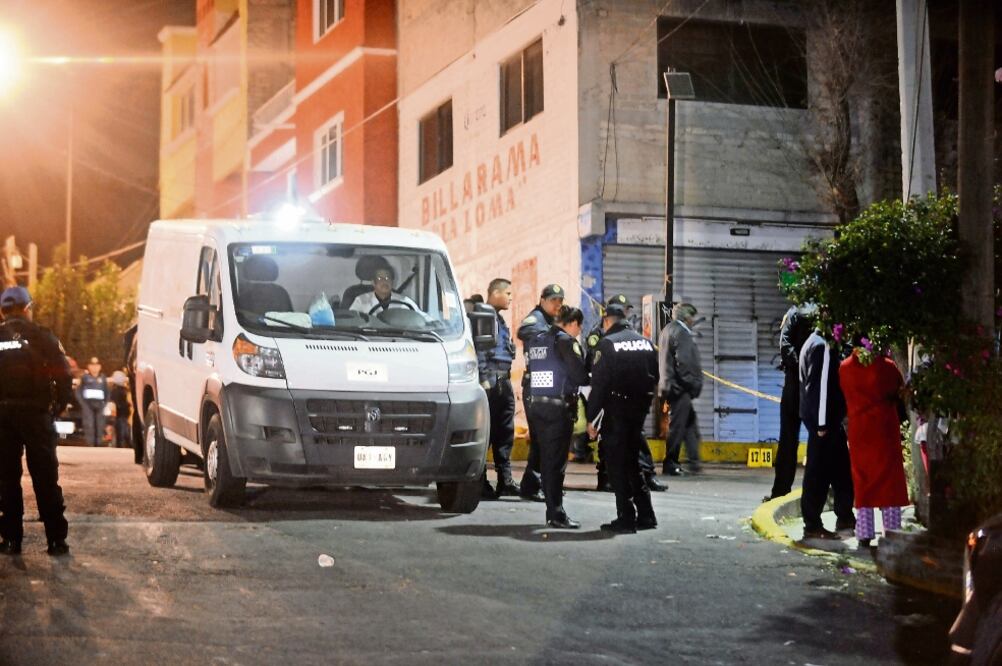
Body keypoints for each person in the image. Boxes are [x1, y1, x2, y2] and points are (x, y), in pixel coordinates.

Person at [0, 286, 73, 556]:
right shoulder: (43, 338)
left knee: (7, 479)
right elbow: (64, 376)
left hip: (3, 418)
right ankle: (55, 540)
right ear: (27, 308)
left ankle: (10, 540)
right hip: (36, 415)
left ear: (3, 311)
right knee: (45, 478)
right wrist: (57, 408)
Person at [587, 302, 660, 534]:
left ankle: (626, 517)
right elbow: (655, 376)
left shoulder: (606, 344)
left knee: (617, 465)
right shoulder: (646, 343)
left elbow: (599, 386)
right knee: (633, 462)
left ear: (607, 320)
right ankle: (647, 514)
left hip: (617, 410)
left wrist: (591, 418)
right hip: (639, 410)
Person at [839, 345, 909, 549]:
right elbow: (898, 390)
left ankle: (864, 532)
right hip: (884, 428)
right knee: (890, 481)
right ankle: (892, 530)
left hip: (859, 430)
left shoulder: (844, 368)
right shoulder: (887, 366)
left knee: (863, 479)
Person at [525, 305, 589, 528]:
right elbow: (580, 375)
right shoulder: (565, 342)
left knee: (546, 460)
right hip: (558, 409)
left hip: (537, 407)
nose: (578, 333)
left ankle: (552, 510)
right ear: (572, 323)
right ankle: (556, 513)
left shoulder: (538, 340)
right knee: (555, 464)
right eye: (578, 328)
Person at [799, 326, 855, 540]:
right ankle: (813, 524)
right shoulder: (822, 347)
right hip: (825, 424)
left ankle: (844, 515)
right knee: (818, 475)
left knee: (840, 471)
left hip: (825, 422)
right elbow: (820, 388)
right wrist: (822, 425)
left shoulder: (812, 341)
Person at [516, 284, 565, 501]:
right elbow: (523, 331)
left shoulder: (552, 321)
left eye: (560, 301)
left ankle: (534, 484)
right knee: (542, 437)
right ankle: (536, 484)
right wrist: (551, 332)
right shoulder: (536, 319)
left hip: (547, 383)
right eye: (553, 300)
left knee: (543, 438)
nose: (557, 304)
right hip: (536, 383)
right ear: (543, 299)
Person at [767, 303, 814, 501]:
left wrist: (798, 369)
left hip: (795, 383)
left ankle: (780, 491)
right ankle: (818, 493)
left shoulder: (794, 313)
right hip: (815, 383)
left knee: (788, 439)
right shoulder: (825, 313)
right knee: (821, 439)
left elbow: (785, 345)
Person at [476, 279, 518, 499]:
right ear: (494, 293)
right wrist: (484, 378)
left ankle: (505, 480)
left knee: (505, 433)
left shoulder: (498, 319)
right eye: (508, 293)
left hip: (503, 381)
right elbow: (481, 349)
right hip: (491, 381)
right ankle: (479, 481)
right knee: (487, 434)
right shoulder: (484, 316)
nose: (511, 297)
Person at [658, 303, 703, 476]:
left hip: (671, 386)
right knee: (677, 427)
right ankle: (670, 463)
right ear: (687, 317)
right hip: (679, 388)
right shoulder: (682, 333)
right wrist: (692, 384)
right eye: (692, 317)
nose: (693, 321)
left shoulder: (667, 330)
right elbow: (684, 363)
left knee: (689, 424)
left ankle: (694, 461)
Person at [349, 263, 420, 314]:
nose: (384, 281)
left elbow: (423, 319)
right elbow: (352, 321)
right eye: (380, 278)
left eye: (387, 278)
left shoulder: (405, 301)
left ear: (392, 282)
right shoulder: (360, 301)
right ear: (373, 282)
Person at [77, 356, 109, 446]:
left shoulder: (103, 378)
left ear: (100, 367)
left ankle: (98, 444)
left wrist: (104, 404)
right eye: (92, 365)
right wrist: (83, 404)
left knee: (100, 425)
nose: (94, 367)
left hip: (99, 405)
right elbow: (78, 392)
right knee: (89, 424)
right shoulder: (85, 378)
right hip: (88, 405)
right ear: (88, 366)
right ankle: (90, 444)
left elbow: (107, 392)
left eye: (96, 365)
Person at [109, 371, 132, 449]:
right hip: (122, 414)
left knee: (122, 431)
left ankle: (122, 445)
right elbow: (120, 403)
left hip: (121, 415)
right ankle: (123, 445)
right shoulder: (122, 390)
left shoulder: (115, 390)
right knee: (122, 431)